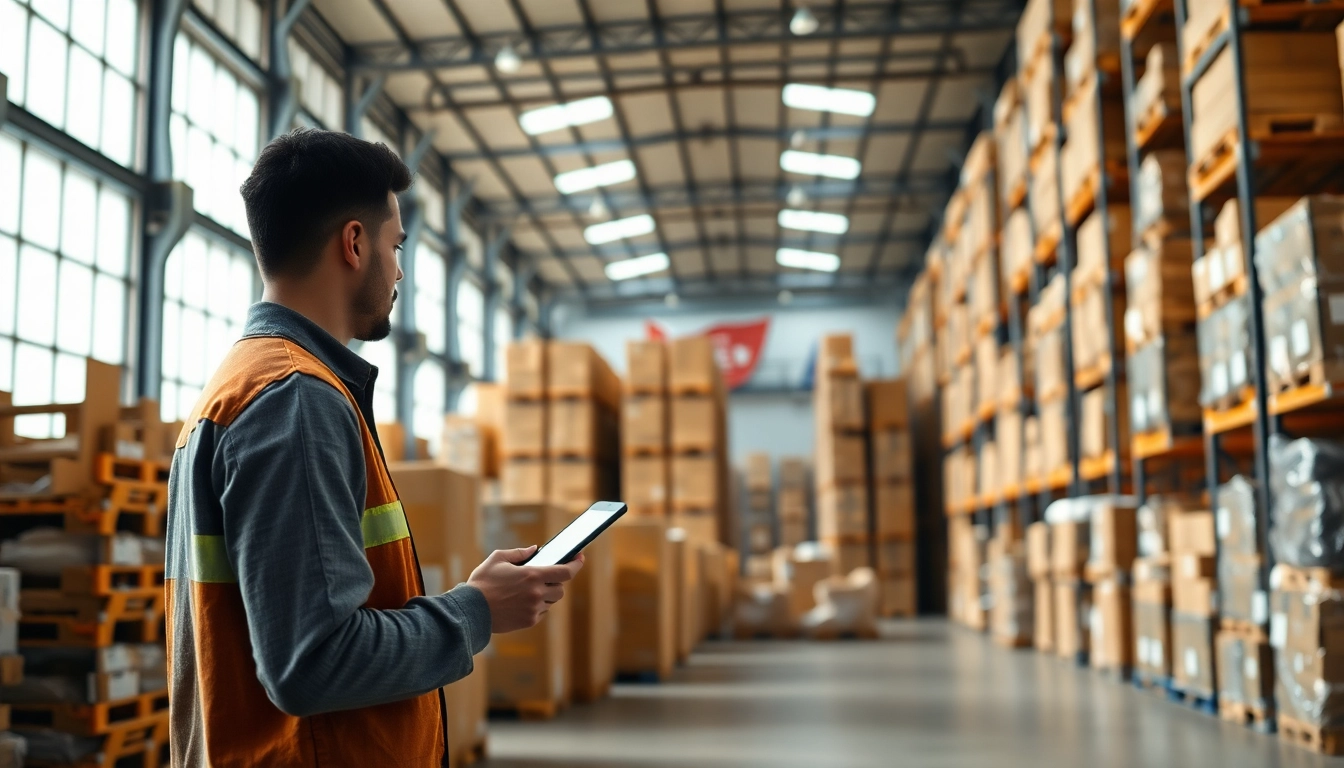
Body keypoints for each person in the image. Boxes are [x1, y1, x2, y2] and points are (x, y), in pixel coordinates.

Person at [164, 128, 582, 767]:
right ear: (354, 244)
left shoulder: (243, 382)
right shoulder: (295, 399)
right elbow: (314, 662)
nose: (402, 267)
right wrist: (476, 611)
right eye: (397, 244)